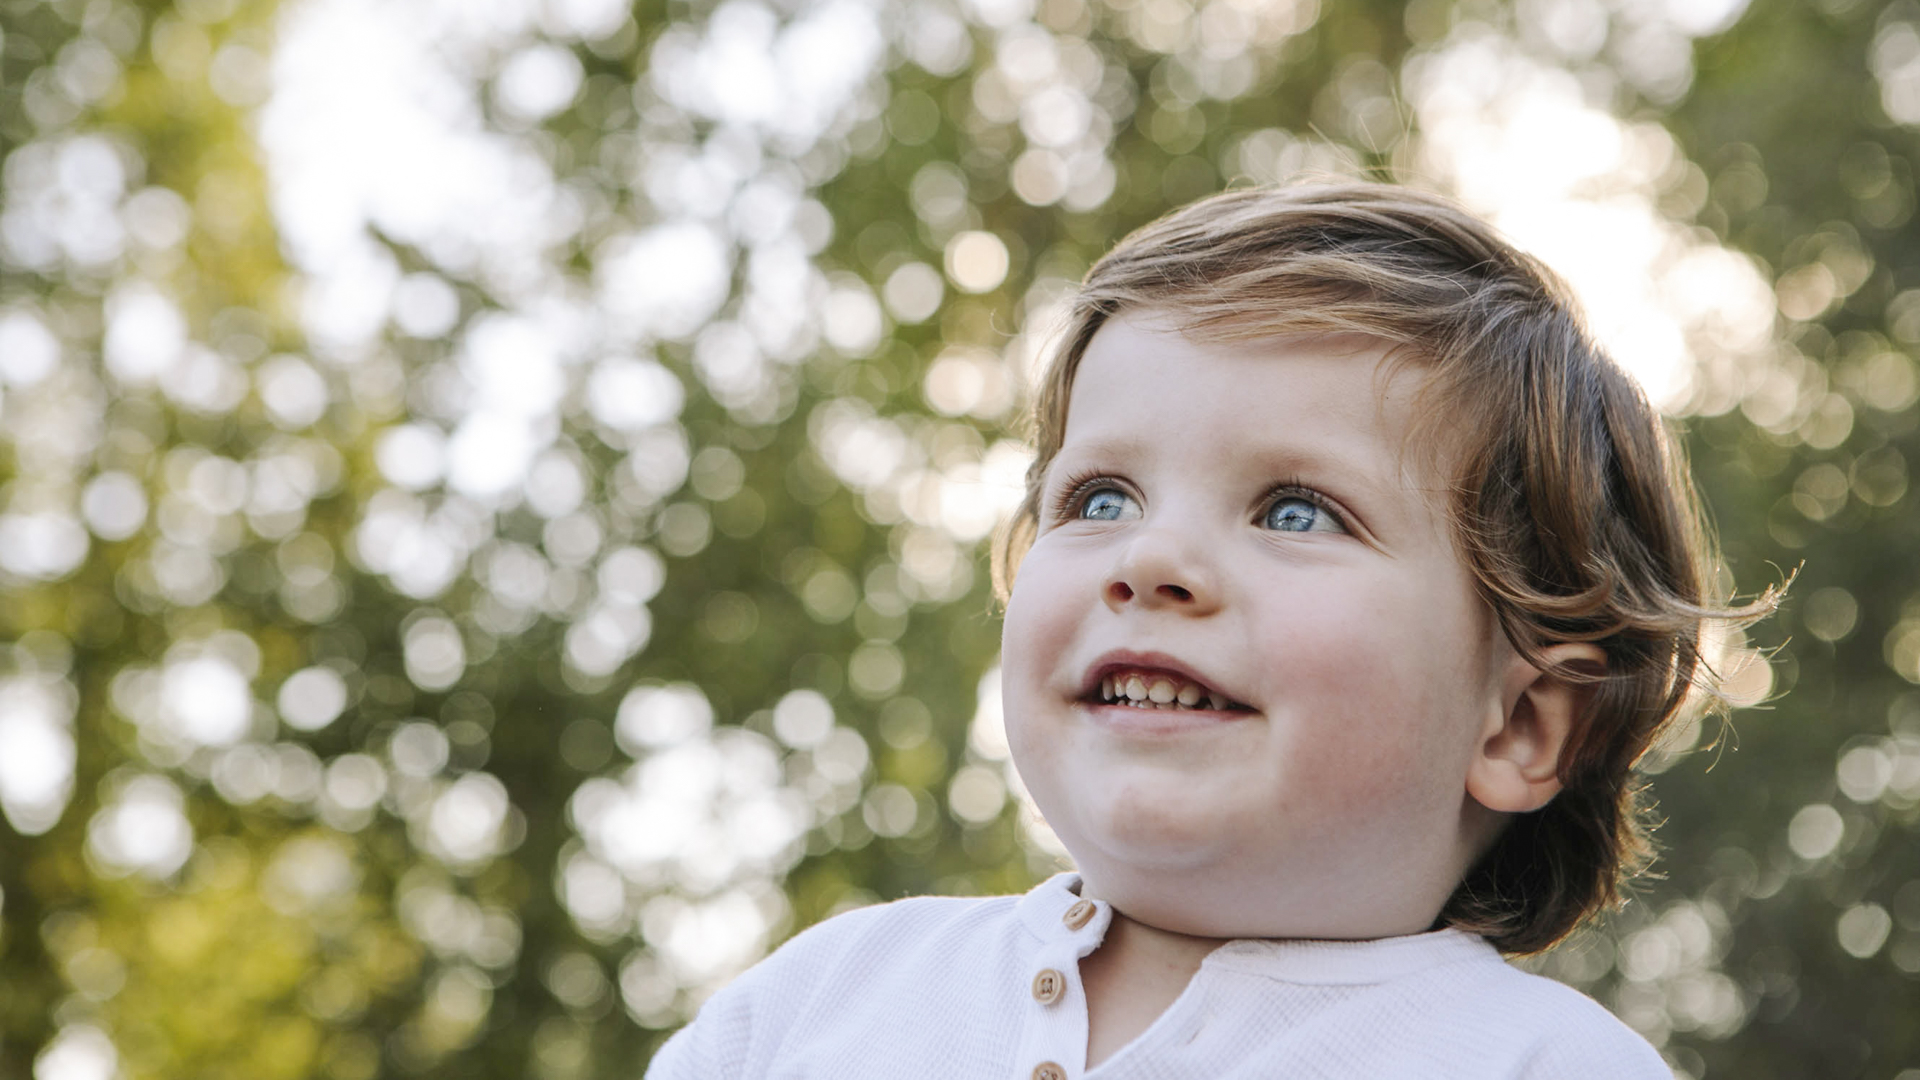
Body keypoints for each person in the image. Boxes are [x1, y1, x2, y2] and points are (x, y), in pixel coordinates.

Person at [644, 182, 1778, 1078]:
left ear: (1522, 724)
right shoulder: (827, 1000)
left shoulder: (1541, 1067)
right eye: (1099, 500)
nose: (1151, 561)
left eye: (1295, 511)